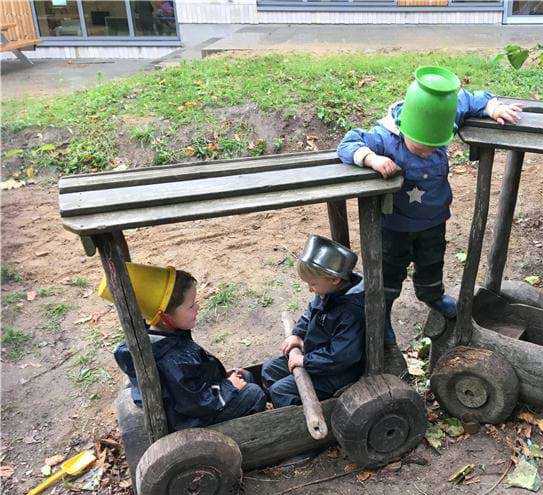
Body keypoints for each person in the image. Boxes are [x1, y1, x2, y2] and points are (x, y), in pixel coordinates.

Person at [336, 66, 521, 370]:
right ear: (406, 126)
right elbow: (348, 143)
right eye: (422, 146)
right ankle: (382, 316)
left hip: (434, 221)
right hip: (394, 226)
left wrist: (493, 107)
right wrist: (372, 158)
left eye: (436, 145)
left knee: (432, 261)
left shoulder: (442, 115)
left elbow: (469, 100)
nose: (428, 152)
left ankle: (431, 294)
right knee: (389, 275)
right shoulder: (385, 138)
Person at [101, 263, 267, 430]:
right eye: (191, 305)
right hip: (192, 421)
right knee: (254, 393)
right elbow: (199, 402)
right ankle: (250, 434)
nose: (197, 307)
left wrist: (224, 379)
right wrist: (229, 386)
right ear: (165, 317)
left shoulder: (165, 335)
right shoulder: (174, 360)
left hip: (195, 400)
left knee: (245, 376)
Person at [261, 235, 365, 407]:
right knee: (269, 369)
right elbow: (310, 313)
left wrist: (305, 361)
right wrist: (298, 335)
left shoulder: (352, 312)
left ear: (335, 279)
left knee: (281, 390)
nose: (310, 289)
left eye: (313, 284)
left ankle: (299, 416)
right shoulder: (328, 291)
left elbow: (341, 356)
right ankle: (279, 403)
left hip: (337, 372)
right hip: (315, 356)